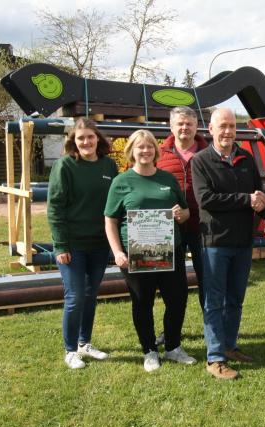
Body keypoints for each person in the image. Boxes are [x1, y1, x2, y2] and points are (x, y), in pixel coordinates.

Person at [191, 108, 265, 380]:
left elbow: (257, 197)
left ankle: (229, 346)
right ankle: (214, 358)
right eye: (222, 126)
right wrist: (245, 200)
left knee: (236, 299)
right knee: (214, 301)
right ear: (211, 130)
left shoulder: (246, 158)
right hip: (214, 242)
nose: (227, 131)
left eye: (231, 126)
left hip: (243, 242)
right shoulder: (200, 161)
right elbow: (206, 199)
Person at [104, 129, 197, 372]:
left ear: (156, 151)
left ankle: (173, 347)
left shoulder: (167, 179)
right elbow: (110, 220)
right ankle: (149, 351)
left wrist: (180, 215)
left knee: (177, 300)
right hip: (137, 253)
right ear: (131, 151)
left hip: (170, 251)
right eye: (140, 147)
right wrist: (117, 252)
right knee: (142, 302)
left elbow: (186, 212)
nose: (145, 151)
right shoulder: (121, 182)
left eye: (149, 147)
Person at [47, 118, 118, 370]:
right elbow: (55, 208)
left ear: (98, 138)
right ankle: (69, 350)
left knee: (90, 296)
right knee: (75, 296)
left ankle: (84, 343)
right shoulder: (65, 166)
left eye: (90, 136)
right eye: (80, 138)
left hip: (99, 245)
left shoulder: (110, 165)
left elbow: (117, 204)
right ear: (73, 142)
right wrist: (60, 245)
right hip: (72, 246)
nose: (86, 142)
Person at [154, 106, 209, 346]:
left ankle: (213, 333)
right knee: (172, 289)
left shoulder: (210, 153)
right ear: (171, 127)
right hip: (169, 232)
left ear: (197, 126)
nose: (184, 128)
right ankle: (170, 332)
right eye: (180, 124)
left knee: (208, 283)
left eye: (189, 124)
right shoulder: (159, 154)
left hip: (203, 229)